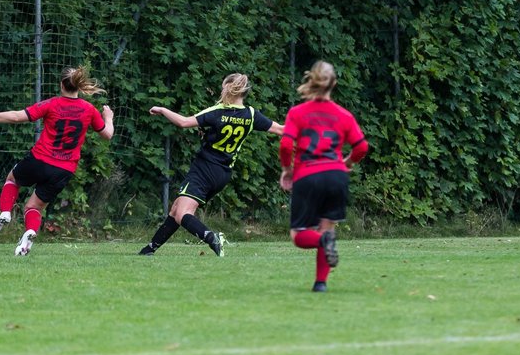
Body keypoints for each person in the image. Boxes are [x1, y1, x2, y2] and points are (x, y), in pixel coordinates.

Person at [0, 66, 114, 256]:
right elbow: (107, 134)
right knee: (34, 207)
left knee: (12, 180)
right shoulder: (89, 109)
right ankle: (29, 233)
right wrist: (108, 117)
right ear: (78, 86)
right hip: (64, 169)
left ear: (61, 84)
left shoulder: (52, 104)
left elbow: (15, 117)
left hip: (39, 159)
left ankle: (5, 212)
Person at [139, 73, 284, 257]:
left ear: (230, 89)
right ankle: (149, 249)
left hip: (205, 169)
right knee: (177, 209)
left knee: (182, 213)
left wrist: (162, 110)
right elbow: (281, 129)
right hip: (222, 174)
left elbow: (184, 122)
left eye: (224, 86)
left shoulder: (218, 111)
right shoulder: (251, 114)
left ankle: (211, 237)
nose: (221, 89)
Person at [278, 61, 368, 292]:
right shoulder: (343, 115)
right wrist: (346, 162)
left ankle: (322, 243)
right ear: (333, 83)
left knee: (298, 235)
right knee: (327, 229)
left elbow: (286, 144)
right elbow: (361, 147)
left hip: (308, 175)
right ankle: (320, 284)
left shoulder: (297, 113)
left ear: (311, 81)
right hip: (336, 176)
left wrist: (287, 169)